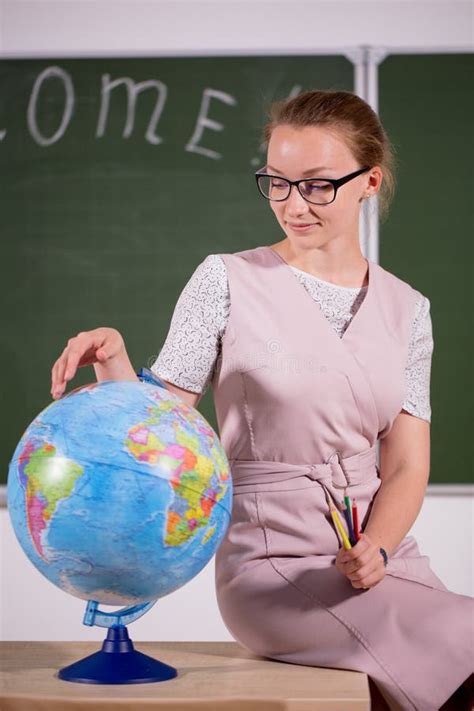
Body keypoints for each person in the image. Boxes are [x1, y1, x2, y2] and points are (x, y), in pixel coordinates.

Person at [51, 89, 473, 710]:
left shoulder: (410, 310)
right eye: (276, 183)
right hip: (271, 563)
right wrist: (116, 363)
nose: (293, 204)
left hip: (378, 556)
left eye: (317, 185)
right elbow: (159, 430)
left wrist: (379, 548)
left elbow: (408, 463)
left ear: (368, 182)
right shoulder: (225, 279)